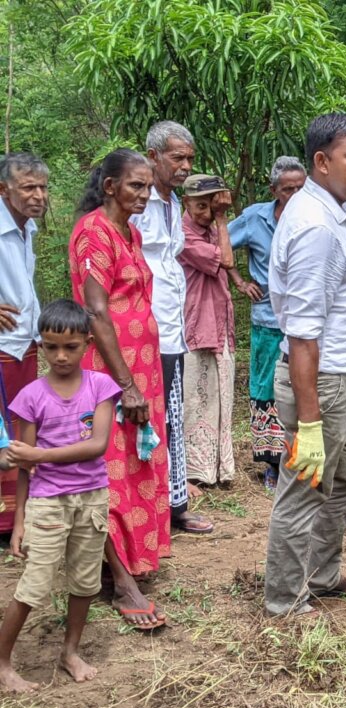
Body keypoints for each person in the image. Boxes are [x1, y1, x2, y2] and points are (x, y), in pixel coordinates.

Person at [264, 112, 346, 618]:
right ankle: (285, 600)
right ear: (321, 161)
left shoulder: (333, 208)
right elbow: (303, 333)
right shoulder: (315, 227)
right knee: (305, 490)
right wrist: (308, 423)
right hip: (321, 383)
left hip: (343, 375)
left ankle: (322, 574)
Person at [69, 148, 170, 630]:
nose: (145, 194)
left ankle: (126, 565)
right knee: (106, 470)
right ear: (109, 186)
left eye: (148, 186)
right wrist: (126, 385)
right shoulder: (93, 232)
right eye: (135, 185)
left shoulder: (130, 230)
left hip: (140, 370)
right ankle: (119, 579)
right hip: (112, 374)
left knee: (134, 463)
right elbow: (95, 312)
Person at [0, 300, 121, 692]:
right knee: (34, 584)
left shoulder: (101, 387)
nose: (60, 355)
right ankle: (3, 662)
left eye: (70, 346)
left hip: (91, 499)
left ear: (87, 343)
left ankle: (70, 651)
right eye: (51, 347)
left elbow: (98, 445)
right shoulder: (33, 396)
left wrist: (39, 455)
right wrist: (19, 522)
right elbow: (24, 464)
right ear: (41, 345)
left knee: (85, 582)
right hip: (48, 503)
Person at [131, 120, 212, 532]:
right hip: (143, 329)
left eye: (190, 159)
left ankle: (174, 503)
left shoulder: (174, 203)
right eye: (178, 157)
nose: (185, 166)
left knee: (172, 417)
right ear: (153, 156)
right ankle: (149, 509)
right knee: (147, 419)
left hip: (171, 328)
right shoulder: (137, 205)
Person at [228, 156, 307, 491]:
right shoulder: (255, 217)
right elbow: (220, 244)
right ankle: (271, 464)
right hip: (267, 319)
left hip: (303, 321)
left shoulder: (314, 216)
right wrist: (238, 280)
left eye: (301, 188)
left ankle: (298, 460)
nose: (295, 195)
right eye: (288, 189)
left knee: (301, 389)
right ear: (275, 190)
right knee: (266, 389)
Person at [0, 153, 49, 533]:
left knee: (20, 427)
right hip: (3, 346)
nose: (39, 196)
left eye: (43, 187)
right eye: (29, 187)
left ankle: (13, 518)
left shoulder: (26, 228)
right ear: (4, 189)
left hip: (24, 344)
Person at [179, 174, 236, 489]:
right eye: (200, 206)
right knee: (197, 400)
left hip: (218, 324)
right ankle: (195, 470)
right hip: (197, 324)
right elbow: (226, 260)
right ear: (185, 202)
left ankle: (218, 468)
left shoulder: (212, 229)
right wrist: (223, 218)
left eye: (211, 206)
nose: (207, 212)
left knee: (220, 397)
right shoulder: (185, 234)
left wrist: (218, 222)